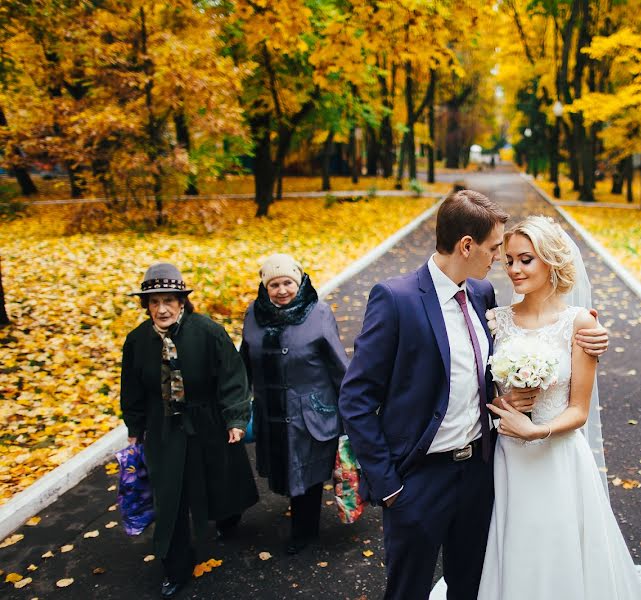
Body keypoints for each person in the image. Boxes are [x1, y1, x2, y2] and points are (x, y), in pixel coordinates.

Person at [339, 190, 609, 600]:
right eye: (496, 248)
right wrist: (388, 484)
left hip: (484, 474)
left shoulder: (483, 297)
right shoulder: (396, 299)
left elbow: (491, 372)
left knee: (472, 588)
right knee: (408, 590)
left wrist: (515, 399)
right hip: (419, 481)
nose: (501, 259)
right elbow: (356, 398)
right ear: (467, 245)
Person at [478, 216, 641, 600]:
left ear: (551, 260)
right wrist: (507, 404)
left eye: (526, 259)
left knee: (560, 546)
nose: (514, 269)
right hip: (510, 457)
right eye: (508, 260)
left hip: (557, 457)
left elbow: (579, 411)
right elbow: (486, 392)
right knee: (517, 541)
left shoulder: (581, 324)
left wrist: (536, 430)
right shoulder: (497, 320)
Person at [120, 263, 258, 599]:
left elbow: (232, 377)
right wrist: (135, 427)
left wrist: (235, 419)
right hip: (163, 426)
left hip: (208, 418)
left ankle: (228, 518)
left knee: (218, 478)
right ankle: (176, 564)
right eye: (154, 302)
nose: (162, 308)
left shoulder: (208, 332)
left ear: (182, 301)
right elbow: (132, 388)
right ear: (146, 305)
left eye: (169, 300)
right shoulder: (137, 341)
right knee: (171, 497)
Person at [240, 253, 348, 554]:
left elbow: (339, 364)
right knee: (287, 468)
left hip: (309, 410)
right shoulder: (254, 313)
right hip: (271, 410)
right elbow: (245, 359)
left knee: (308, 472)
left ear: (299, 282)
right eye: (274, 284)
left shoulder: (318, 312)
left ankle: (304, 531)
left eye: (288, 282)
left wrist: (353, 410)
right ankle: (300, 518)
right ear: (265, 288)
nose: (282, 290)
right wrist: (236, 402)